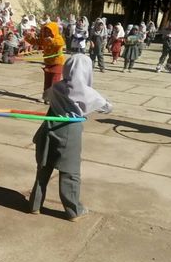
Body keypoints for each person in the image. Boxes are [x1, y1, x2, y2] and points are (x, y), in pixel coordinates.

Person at [29, 54, 113, 221]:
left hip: (49, 126)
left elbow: (45, 96)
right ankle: (73, 211)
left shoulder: (57, 86)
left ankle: (34, 204)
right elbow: (108, 108)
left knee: (44, 168)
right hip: (69, 130)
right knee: (70, 172)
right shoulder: (88, 93)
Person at [24, 21, 65, 95]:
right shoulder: (44, 39)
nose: (47, 34)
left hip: (57, 63)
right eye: (45, 32)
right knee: (47, 81)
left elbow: (60, 43)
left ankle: (52, 97)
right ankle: (46, 96)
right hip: (48, 62)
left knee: (54, 82)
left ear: (54, 31)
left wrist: (52, 41)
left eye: (49, 32)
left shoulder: (58, 38)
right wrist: (28, 37)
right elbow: (36, 42)